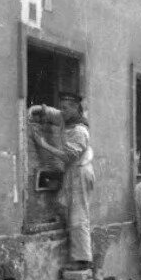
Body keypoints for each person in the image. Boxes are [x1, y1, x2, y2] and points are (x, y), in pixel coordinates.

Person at [29, 93, 95, 264]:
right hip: (74, 170)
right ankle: (78, 255)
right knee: (65, 206)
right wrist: (37, 109)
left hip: (80, 171)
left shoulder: (79, 130)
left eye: (65, 108)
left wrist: (43, 144)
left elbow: (67, 157)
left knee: (79, 216)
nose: (62, 111)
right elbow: (54, 114)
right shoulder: (68, 118)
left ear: (75, 109)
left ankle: (82, 260)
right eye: (62, 107)